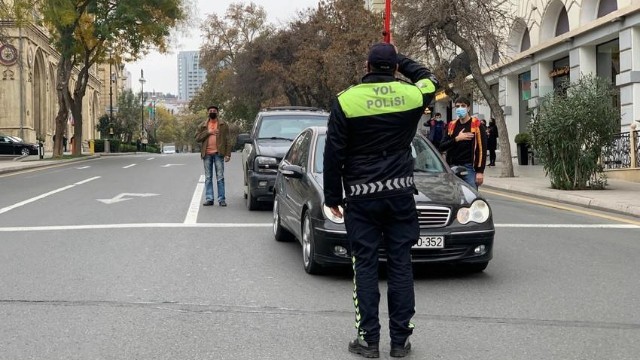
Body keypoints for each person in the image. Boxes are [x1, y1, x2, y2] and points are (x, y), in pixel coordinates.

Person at [324, 42, 438, 358]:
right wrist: (401, 59)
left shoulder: (346, 101)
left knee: (365, 264)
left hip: (361, 197)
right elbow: (430, 80)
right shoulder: (412, 95)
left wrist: (333, 194)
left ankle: (368, 340)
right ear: (393, 67)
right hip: (400, 193)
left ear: (367, 66)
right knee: (401, 264)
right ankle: (400, 342)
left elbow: (333, 151)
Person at [439, 97, 487, 188]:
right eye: (457, 106)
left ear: (468, 108)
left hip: (469, 168)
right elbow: (442, 146)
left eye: (463, 106)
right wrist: (457, 139)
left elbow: (482, 150)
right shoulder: (451, 125)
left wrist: (480, 172)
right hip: (452, 167)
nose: (460, 108)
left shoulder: (477, 125)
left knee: (472, 196)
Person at [195, 105, 232, 207]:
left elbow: (228, 140)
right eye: (210, 111)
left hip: (218, 154)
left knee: (220, 177)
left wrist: (228, 154)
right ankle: (209, 199)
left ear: (217, 112)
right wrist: (208, 132)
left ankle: (221, 199)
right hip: (207, 154)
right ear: (208, 113)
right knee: (208, 177)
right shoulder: (203, 125)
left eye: (214, 111)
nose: (212, 112)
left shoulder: (223, 125)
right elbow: (197, 138)